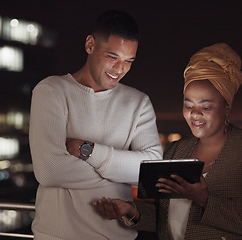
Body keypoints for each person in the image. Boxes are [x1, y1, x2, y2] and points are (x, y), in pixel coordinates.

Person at [94, 43, 242, 240]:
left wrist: (205, 199)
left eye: (206, 106)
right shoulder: (177, 151)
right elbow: (166, 219)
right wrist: (130, 210)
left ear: (226, 107)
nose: (195, 114)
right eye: (188, 105)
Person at [28, 10, 163, 240]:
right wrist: (121, 170)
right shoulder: (51, 91)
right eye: (113, 57)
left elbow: (150, 170)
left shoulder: (139, 102)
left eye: (128, 61)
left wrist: (89, 150)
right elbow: (50, 171)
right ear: (90, 45)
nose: (120, 69)